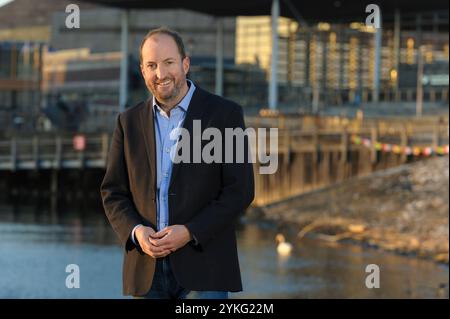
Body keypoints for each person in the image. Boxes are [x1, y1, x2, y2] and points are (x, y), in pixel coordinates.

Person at [100, 27, 254, 299]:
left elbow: (239, 191)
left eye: (168, 63)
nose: (160, 74)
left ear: (185, 63)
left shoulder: (225, 115)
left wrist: (190, 231)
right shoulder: (128, 122)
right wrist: (137, 232)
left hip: (205, 269)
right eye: (151, 65)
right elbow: (113, 193)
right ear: (142, 70)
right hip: (146, 273)